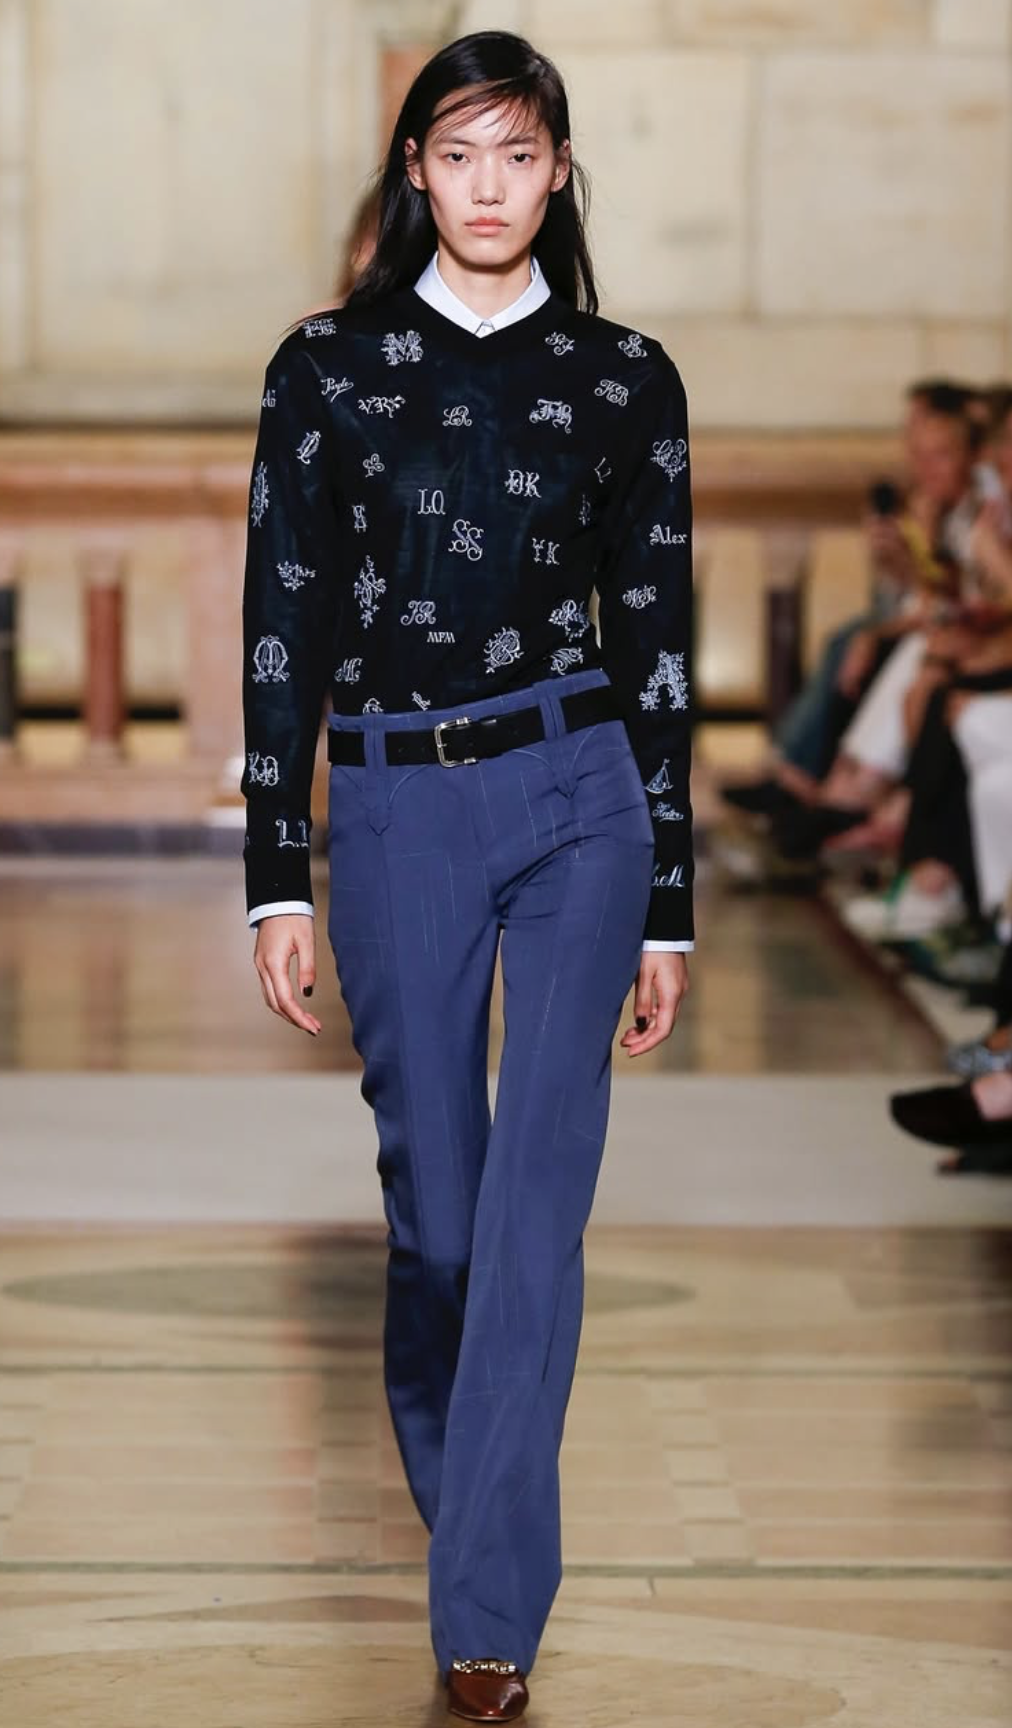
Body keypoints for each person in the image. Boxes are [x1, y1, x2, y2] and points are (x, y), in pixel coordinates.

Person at [239, 31, 694, 1724]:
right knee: (437, 1222)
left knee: (534, 1209)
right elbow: (281, 618)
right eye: (458, 154)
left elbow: (656, 636)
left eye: (518, 154)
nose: (489, 186)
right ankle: (481, 1542)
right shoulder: (328, 368)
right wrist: (275, 873)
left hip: (581, 790)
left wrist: (671, 897)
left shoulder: (626, 377)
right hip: (397, 802)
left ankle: (486, 1615)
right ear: (415, 172)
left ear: (558, 171)